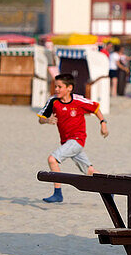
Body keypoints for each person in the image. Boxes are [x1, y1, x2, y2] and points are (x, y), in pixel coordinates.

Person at [39, 72, 108, 203]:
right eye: (55, 86)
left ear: (69, 88)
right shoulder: (53, 101)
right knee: (89, 170)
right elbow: (40, 119)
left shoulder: (78, 100)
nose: (57, 89)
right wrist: (47, 121)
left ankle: (57, 193)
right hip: (66, 142)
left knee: (52, 159)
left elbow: (96, 108)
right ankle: (108, 189)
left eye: (60, 87)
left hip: (77, 140)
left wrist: (103, 123)